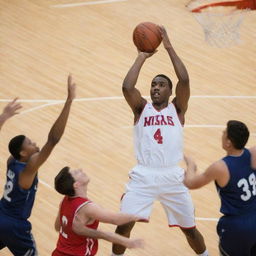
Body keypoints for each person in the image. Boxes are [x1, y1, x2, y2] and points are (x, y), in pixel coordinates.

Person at [111, 26, 208, 256]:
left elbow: (184, 79)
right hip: (143, 175)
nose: (155, 88)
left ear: (170, 91)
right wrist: (141, 56)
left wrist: (168, 47)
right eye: (153, 84)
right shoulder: (141, 109)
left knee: (190, 231)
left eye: (161, 85)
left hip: (172, 176)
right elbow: (127, 87)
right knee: (123, 226)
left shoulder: (178, 109)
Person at [0, 74, 76, 256]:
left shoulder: (12, 161)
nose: (34, 143)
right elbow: (53, 139)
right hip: (15, 225)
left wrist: (3, 117)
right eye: (30, 143)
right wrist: (69, 101)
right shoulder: (28, 170)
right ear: (23, 153)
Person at [183, 120, 256, 256]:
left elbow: (191, 183)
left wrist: (191, 166)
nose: (222, 134)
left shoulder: (221, 167)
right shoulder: (253, 153)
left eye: (224, 132)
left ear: (228, 142)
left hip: (238, 227)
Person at [52, 166, 144, 256]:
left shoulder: (65, 201)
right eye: (76, 172)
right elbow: (115, 220)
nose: (80, 169)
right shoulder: (87, 208)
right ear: (76, 185)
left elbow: (57, 227)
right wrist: (136, 214)